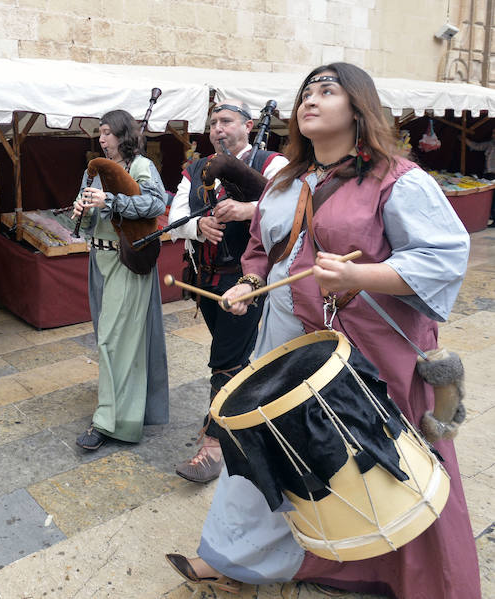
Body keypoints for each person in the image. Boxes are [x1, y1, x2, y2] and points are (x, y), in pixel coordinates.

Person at [165, 63, 480, 599]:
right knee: (268, 450)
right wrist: (247, 282)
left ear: (358, 107)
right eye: (306, 92)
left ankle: (418, 578)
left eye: (327, 91)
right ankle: (235, 560)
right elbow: (262, 250)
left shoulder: (398, 179)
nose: (310, 99)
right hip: (287, 341)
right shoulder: (288, 180)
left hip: (367, 350)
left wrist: (361, 275)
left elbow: (444, 257)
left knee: (385, 466)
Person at [168, 99, 288, 483]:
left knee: (224, 357)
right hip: (204, 277)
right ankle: (242, 413)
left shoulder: (273, 164)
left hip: (248, 280)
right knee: (233, 355)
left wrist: (249, 210)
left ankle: (215, 445)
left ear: (248, 126)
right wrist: (197, 226)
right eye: (213, 123)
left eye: (227, 121)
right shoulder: (195, 168)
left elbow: (299, 210)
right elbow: (173, 220)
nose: (218, 129)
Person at [71, 109, 170, 450]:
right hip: (99, 262)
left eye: (108, 133)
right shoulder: (97, 172)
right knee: (113, 339)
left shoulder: (141, 166)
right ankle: (127, 413)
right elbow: (88, 225)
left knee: (112, 341)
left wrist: (110, 200)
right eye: (100, 133)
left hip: (127, 262)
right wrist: (82, 213)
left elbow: (157, 203)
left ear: (124, 135)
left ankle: (108, 422)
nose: (102, 138)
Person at [465, 129, 495, 226]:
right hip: (489, 174)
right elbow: (477, 146)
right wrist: (465, 140)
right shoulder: (490, 144)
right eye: (493, 133)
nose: (493, 135)